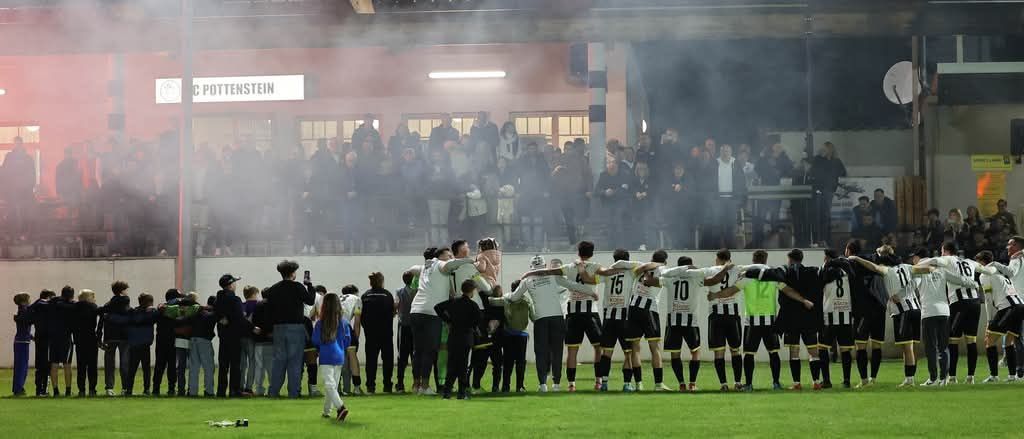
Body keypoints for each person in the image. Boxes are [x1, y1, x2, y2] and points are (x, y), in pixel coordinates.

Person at [713, 250, 813, 391]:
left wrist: (715, 295)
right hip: (769, 321)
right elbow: (788, 290)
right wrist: (803, 300)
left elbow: (731, 291)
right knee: (774, 353)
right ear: (765, 260)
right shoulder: (772, 274)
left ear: (753, 259)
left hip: (752, 321)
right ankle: (776, 383)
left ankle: (749, 384)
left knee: (749, 354)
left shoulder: (747, 274)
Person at [849, 247, 931, 387]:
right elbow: (926, 270)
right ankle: (910, 378)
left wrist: (856, 258)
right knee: (911, 347)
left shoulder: (888, 270)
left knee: (906, 347)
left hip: (903, 311)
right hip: (917, 309)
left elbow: (873, 266)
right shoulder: (909, 267)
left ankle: (910, 380)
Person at [517, 255, 594, 392]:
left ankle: (542, 385)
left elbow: (514, 296)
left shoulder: (527, 280)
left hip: (540, 319)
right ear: (545, 265)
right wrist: (590, 292)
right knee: (557, 351)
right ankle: (556, 385)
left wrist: (500, 298)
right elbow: (573, 285)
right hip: (557, 318)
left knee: (541, 352)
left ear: (531, 267)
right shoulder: (553, 276)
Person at [655, 256, 731, 392]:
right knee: (695, 352)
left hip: (673, 321)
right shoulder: (696, 278)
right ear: (690, 265)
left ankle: (681, 384)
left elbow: (652, 281)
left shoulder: (670, 278)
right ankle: (692, 383)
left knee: (675, 354)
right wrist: (725, 269)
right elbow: (715, 280)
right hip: (691, 321)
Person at [407, 247, 476, 396]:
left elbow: (412, 269)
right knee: (429, 350)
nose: (451, 257)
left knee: (417, 350)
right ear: (440, 256)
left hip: (415, 311)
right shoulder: (440, 265)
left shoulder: (428, 266)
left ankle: (416, 385)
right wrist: (471, 260)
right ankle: (425, 387)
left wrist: (425, 264)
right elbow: (451, 265)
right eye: (448, 255)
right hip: (431, 312)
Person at [923, 241, 984, 384]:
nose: (941, 254)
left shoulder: (947, 259)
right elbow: (983, 269)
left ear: (946, 251)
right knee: (971, 341)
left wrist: (918, 265)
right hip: (975, 303)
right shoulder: (969, 261)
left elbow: (933, 260)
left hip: (959, 302)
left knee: (953, 340)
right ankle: (971, 377)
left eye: (942, 251)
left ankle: (952, 377)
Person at [551, 241, 602, 392]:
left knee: (572, 350)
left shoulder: (569, 267)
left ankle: (571, 384)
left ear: (578, 252)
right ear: (592, 253)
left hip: (573, 312)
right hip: (590, 311)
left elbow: (555, 274)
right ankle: (598, 381)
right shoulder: (594, 266)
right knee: (599, 348)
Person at [265, 260, 316, 398]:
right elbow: (310, 300)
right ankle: (293, 393)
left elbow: (269, 311)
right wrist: (310, 285)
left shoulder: (273, 289)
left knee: (278, 361)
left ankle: (273, 392)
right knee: (295, 361)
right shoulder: (298, 287)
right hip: (296, 327)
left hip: (278, 328)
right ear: (293, 273)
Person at [975, 250, 1023, 382]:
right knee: (1009, 342)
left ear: (982, 262)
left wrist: (989, 322)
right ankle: (1013, 376)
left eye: (978, 263)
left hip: (1009, 307)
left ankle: (994, 376)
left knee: (989, 341)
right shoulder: (1000, 271)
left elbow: (989, 300)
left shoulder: (985, 275)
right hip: (1019, 305)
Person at [626, 250, 671, 391]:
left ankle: (639, 383)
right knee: (654, 347)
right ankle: (658, 384)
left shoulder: (643, 267)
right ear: (665, 261)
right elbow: (659, 283)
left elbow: (635, 272)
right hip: (649, 308)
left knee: (635, 347)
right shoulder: (663, 269)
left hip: (633, 308)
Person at [435, 280, 483, 400]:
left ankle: (447, 392)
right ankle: (461, 393)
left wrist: (448, 321)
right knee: (463, 366)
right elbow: (478, 320)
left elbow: (438, 308)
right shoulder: (473, 305)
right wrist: (469, 325)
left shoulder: (454, 302)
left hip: (453, 337)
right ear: (472, 291)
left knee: (451, 365)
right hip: (466, 337)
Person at [706, 249, 746, 391]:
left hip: (716, 315)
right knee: (735, 350)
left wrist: (714, 295)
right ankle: (738, 382)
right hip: (732, 315)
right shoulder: (737, 269)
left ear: (718, 259)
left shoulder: (710, 270)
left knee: (719, 351)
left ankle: (723, 384)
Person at [817, 250, 856, 388]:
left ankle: (826, 381)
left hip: (830, 314)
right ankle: (847, 381)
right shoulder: (847, 271)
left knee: (822, 348)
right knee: (845, 350)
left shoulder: (825, 271)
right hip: (846, 314)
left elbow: (819, 285)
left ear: (827, 258)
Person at [488, 279, 535, 393]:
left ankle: (505, 386)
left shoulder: (506, 298)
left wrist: (490, 294)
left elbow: (492, 301)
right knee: (520, 362)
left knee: (508, 362)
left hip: (508, 334)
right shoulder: (527, 301)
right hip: (522, 335)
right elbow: (533, 317)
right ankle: (520, 386)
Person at [312, 293, 352, 423]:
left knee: (330, 385)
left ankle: (341, 407)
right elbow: (347, 341)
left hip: (325, 356)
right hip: (339, 356)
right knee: (332, 386)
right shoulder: (344, 322)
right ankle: (326, 411)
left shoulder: (320, 324)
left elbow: (315, 340)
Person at [215, 274, 251, 397]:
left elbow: (217, 315)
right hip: (235, 336)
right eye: (234, 282)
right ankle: (234, 390)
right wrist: (252, 327)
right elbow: (240, 319)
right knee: (235, 365)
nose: (235, 284)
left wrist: (222, 319)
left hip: (223, 336)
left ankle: (221, 391)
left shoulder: (218, 299)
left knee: (223, 365)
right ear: (230, 285)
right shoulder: (235, 300)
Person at [361, 272, 395, 394]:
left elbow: (362, 316)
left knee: (371, 360)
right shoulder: (387, 295)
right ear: (382, 281)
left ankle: (370, 386)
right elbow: (392, 312)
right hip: (386, 333)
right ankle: (387, 386)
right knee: (387, 360)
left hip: (371, 334)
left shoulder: (365, 296)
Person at [119, 293, 159, 396]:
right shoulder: (150, 314)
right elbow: (156, 315)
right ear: (149, 302)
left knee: (132, 368)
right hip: (145, 344)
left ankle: (129, 390)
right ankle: (146, 389)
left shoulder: (133, 312)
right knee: (146, 369)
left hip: (134, 344)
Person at [809, 142, 846, 246]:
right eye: (823, 148)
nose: (824, 150)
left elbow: (843, 173)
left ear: (831, 150)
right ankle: (816, 240)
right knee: (817, 216)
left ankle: (824, 239)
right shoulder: (818, 159)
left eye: (826, 149)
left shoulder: (836, 161)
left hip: (829, 191)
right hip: (818, 190)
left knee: (826, 216)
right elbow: (813, 172)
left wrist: (835, 181)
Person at [97, 281, 131, 396]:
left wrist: (99, 337)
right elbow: (127, 314)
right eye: (126, 289)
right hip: (124, 337)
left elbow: (101, 319)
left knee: (109, 363)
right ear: (122, 290)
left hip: (110, 336)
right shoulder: (125, 301)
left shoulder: (108, 305)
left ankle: (109, 388)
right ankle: (125, 388)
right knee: (125, 363)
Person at [711, 145, 747, 249]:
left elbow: (742, 183)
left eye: (727, 151)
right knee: (717, 226)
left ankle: (731, 250)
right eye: (723, 151)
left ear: (731, 152)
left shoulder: (735, 164)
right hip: (718, 199)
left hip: (732, 199)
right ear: (720, 152)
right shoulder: (714, 163)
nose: (725, 153)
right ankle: (716, 250)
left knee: (730, 227)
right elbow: (709, 182)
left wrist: (740, 199)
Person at [595, 158, 632, 250]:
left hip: (621, 204)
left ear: (617, 165)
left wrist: (613, 192)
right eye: (609, 163)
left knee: (618, 223)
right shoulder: (603, 175)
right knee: (609, 225)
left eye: (613, 162)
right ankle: (610, 247)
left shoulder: (624, 175)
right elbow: (597, 190)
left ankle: (621, 247)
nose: (611, 165)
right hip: (607, 204)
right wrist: (604, 192)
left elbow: (625, 189)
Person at [48, 286, 76, 397]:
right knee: (67, 365)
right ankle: (68, 391)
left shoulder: (52, 303)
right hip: (65, 338)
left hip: (53, 338)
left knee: (54, 364)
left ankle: (55, 391)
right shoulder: (71, 306)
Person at [153, 289, 182, 396]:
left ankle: (156, 389)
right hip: (171, 340)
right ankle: (171, 388)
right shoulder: (171, 309)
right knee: (171, 366)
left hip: (161, 340)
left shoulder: (161, 308)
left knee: (160, 365)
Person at [188, 296, 218, 397]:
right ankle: (208, 391)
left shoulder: (197, 312)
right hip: (204, 340)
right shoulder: (212, 314)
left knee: (194, 367)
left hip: (193, 339)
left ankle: (192, 392)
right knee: (208, 367)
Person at [394, 271, 417, 393]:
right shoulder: (418, 291)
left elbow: (396, 304)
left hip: (403, 325)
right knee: (415, 354)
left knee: (402, 355)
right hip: (415, 326)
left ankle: (400, 383)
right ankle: (415, 382)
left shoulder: (399, 291)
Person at [339, 285, 363, 395]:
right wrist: (356, 340)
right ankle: (357, 387)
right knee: (352, 355)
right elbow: (357, 323)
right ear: (355, 292)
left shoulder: (338, 297)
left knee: (337, 357)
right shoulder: (356, 299)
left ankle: (337, 388)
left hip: (331, 327)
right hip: (345, 327)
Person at [251, 288, 274, 396]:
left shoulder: (257, 305)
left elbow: (254, 321)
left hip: (259, 340)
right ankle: (272, 388)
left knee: (259, 366)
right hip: (270, 340)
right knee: (271, 367)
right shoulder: (273, 306)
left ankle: (259, 388)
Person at [241, 286, 260, 395]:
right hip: (252, 336)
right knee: (252, 362)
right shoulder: (257, 305)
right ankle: (249, 387)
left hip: (240, 336)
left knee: (242, 363)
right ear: (254, 293)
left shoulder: (242, 305)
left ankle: (240, 386)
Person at [12, 293, 32, 397]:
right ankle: (18, 389)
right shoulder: (24, 310)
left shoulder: (22, 310)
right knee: (22, 366)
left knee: (20, 366)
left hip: (21, 341)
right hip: (22, 342)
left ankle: (18, 387)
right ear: (24, 301)